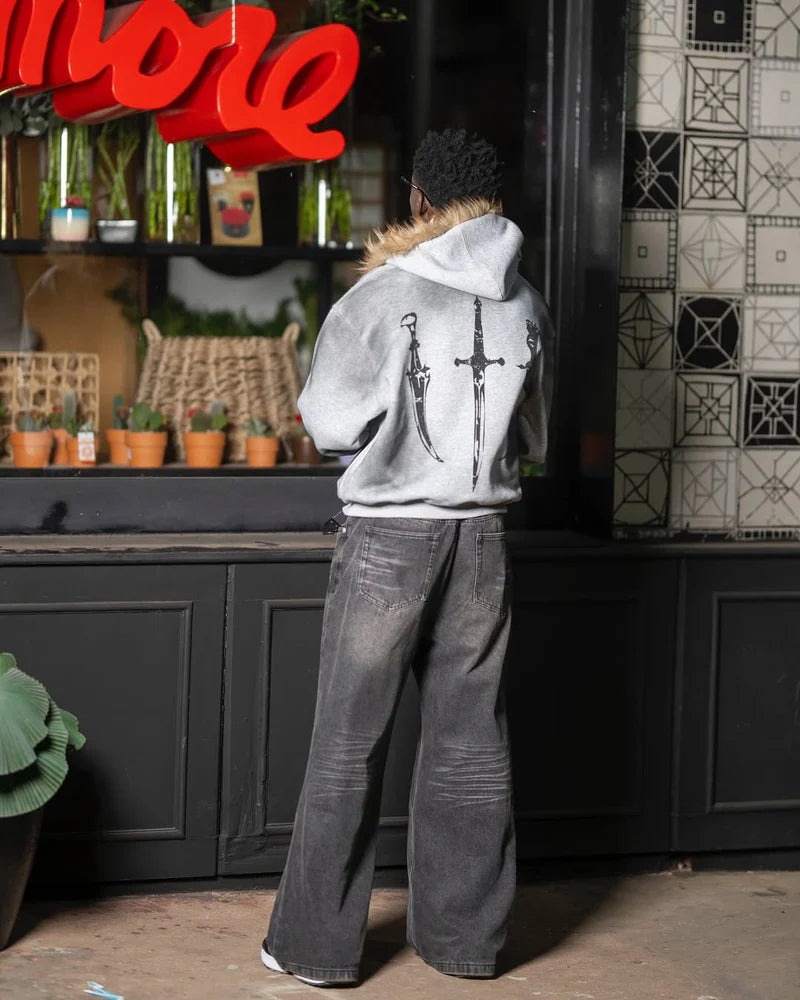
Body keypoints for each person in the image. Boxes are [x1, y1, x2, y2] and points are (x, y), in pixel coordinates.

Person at [261, 127, 551, 987]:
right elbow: (534, 436)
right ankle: (465, 945)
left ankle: (315, 950)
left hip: (390, 539)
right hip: (484, 540)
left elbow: (327, 423)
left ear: (420, 198)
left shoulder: (382, 296)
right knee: (471, 743)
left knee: (348, 744)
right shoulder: (527, 302)